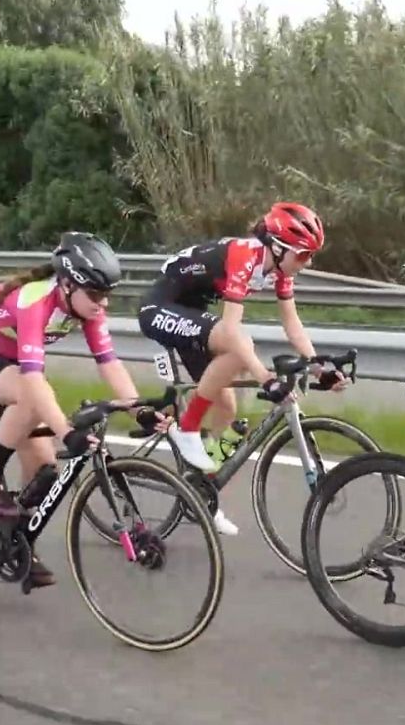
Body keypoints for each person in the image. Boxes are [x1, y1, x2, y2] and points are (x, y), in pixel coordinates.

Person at [0, 232, 149, 588]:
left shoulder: (86, 307)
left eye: (107, 294)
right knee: (31, 394)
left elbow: (109, 364)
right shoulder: (35, 301)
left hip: (9, 366)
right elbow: (34, 382)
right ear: (67, 284)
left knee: (44, 472)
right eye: (96, 294)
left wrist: (139, 410)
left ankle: (15, 543)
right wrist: (67, 433)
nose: (103, 303)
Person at [137, 202, 347, 535]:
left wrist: (319, 367)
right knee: (239, 348)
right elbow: (231, 331)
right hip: (159, 308)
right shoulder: (244, 255)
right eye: (304, 255)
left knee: (227, 410)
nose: (308, 263)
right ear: (277, 247)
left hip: (193, 314)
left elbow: (292, 325)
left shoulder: (280, 270)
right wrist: (265, 377)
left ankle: (202, 494)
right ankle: (187, 428)